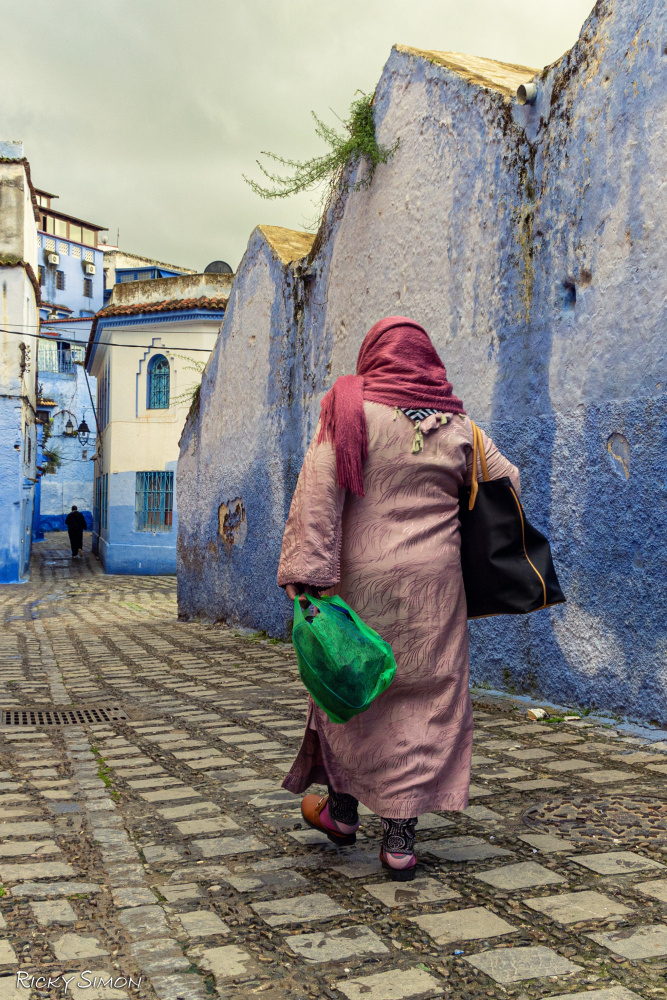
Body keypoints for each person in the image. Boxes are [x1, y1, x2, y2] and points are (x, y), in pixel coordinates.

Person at [277, 316, 520, 881]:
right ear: (427, 361)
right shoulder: (459, 426)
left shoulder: (349, 408)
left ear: (375, 355)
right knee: (427, 697)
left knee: (355, 685)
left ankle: (341, 813)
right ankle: (400, 843)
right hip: (436, 586)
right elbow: (507, 483)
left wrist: (306, 576)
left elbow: (318, 490)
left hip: (362, 583)